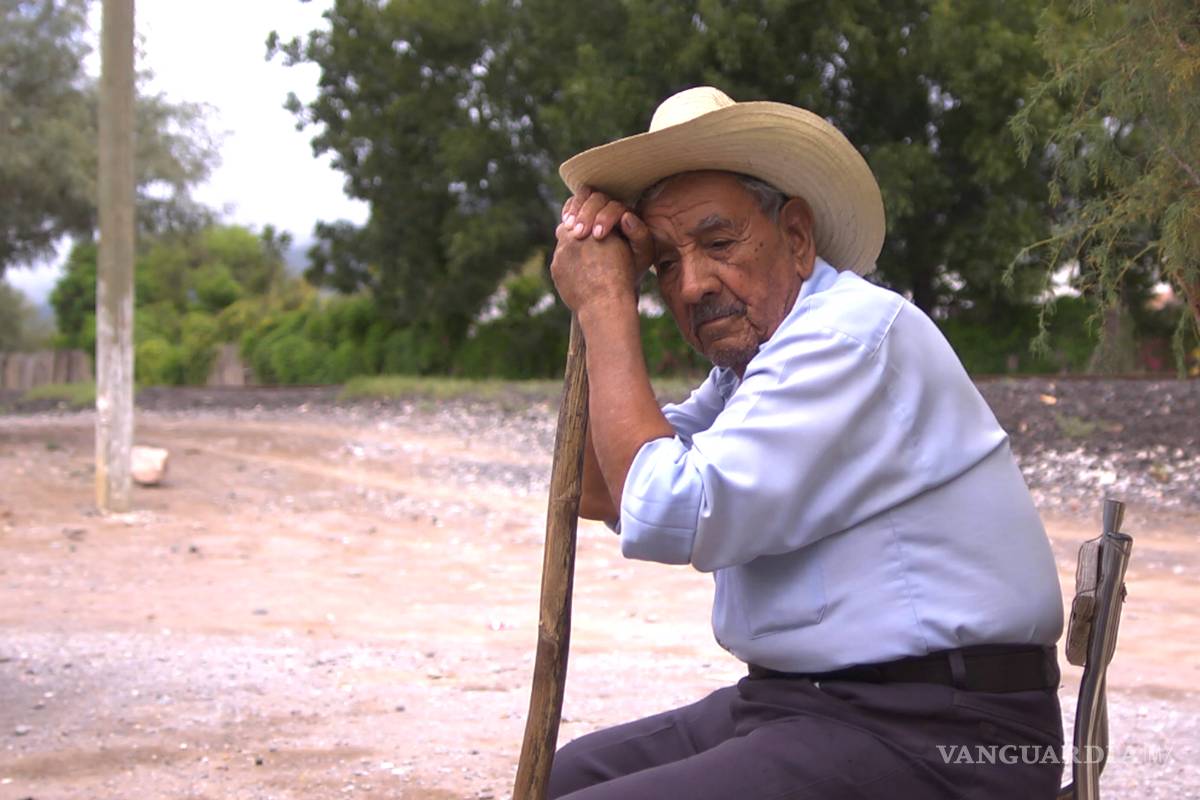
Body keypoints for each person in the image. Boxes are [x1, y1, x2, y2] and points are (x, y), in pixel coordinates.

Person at [544, 86, 1066, 799]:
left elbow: (668, 512)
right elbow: (606, 490)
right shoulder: (754, 369)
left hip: (946, 732)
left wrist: (605, 308)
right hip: (801, 705)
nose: (691, 286)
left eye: (718, 242)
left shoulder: (846, 337)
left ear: (796, 237)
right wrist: (604, 283)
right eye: (665, 262)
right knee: (555, 778)